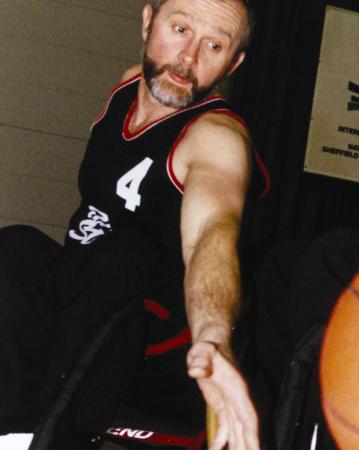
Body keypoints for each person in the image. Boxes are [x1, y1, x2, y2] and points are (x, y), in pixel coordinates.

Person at [0, 1, 265, 449]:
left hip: (156, 349)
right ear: (147, 22)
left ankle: (55, 439)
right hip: (79, 305)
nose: (188, 58)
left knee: (117, 257)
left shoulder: (216, 138)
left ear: (233, 62)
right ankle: (14, 436)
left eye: (214, 45)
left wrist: (214, 342)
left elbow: (211, 235)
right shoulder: (127, 86)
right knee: (18, 248)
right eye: (180, 29)